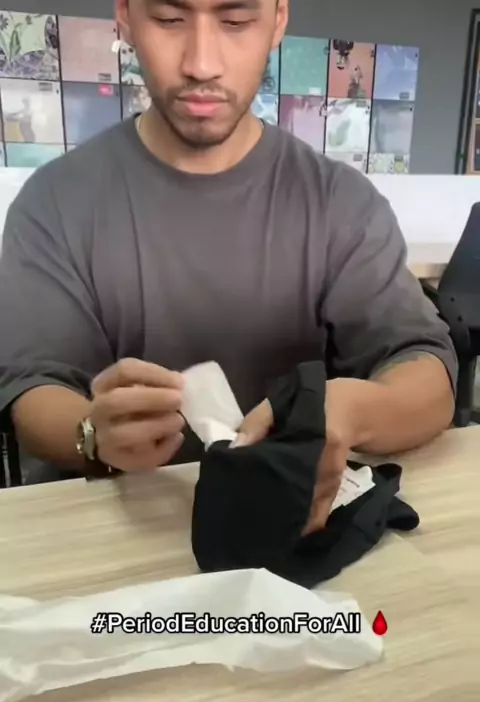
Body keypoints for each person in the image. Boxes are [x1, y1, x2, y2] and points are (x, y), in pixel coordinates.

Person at [0, 0, 456, 532]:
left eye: (235, 21)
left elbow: (424, 370)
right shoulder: (55, 202)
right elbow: (33, 386)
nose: (201, 63)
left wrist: (354, 413)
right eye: (169, 20)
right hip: (114, 534)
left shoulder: (339, 202)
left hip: (292, 526)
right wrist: (91, 434)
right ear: (125, 15)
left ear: (278, 20)